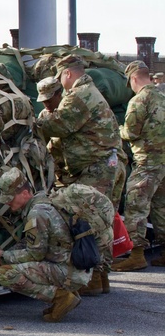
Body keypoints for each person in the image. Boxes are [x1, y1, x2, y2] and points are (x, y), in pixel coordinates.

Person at [0, 168, 89, 322]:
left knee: (5, 273)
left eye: (11, 197)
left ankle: (61, 297)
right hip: (73, 267)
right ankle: (66, 294)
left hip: (66, 271)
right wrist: (6, 256)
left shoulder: (37, 213)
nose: (7, 202)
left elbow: (35, 254)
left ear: (25, 193)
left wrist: (2, 255)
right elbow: (30, 243)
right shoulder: (45, 200)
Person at [34, 55, 125, 206]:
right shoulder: (87, 90)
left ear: (67, 74)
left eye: (60, 76)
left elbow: (59, 126)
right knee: (102, 217)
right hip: (104, 164)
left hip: (98, 168)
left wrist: (34, 122)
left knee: (91, 218)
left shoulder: (80, 94)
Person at [116, 60, 165, 271]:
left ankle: (136, 255)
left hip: (147, 161)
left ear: (134, 78)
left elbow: (131, 132)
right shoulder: (162, 96)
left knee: (136, 205)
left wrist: (117, 129)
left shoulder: (139, 100)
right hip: (163, 162)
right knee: (161, 207)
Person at [36, 76, 68, 178]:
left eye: (49, 100)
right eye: (43, 101)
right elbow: (41, 143)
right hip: (59, 170)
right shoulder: (44, 115)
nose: (46, 105)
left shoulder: (69, 111)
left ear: (59, 95)